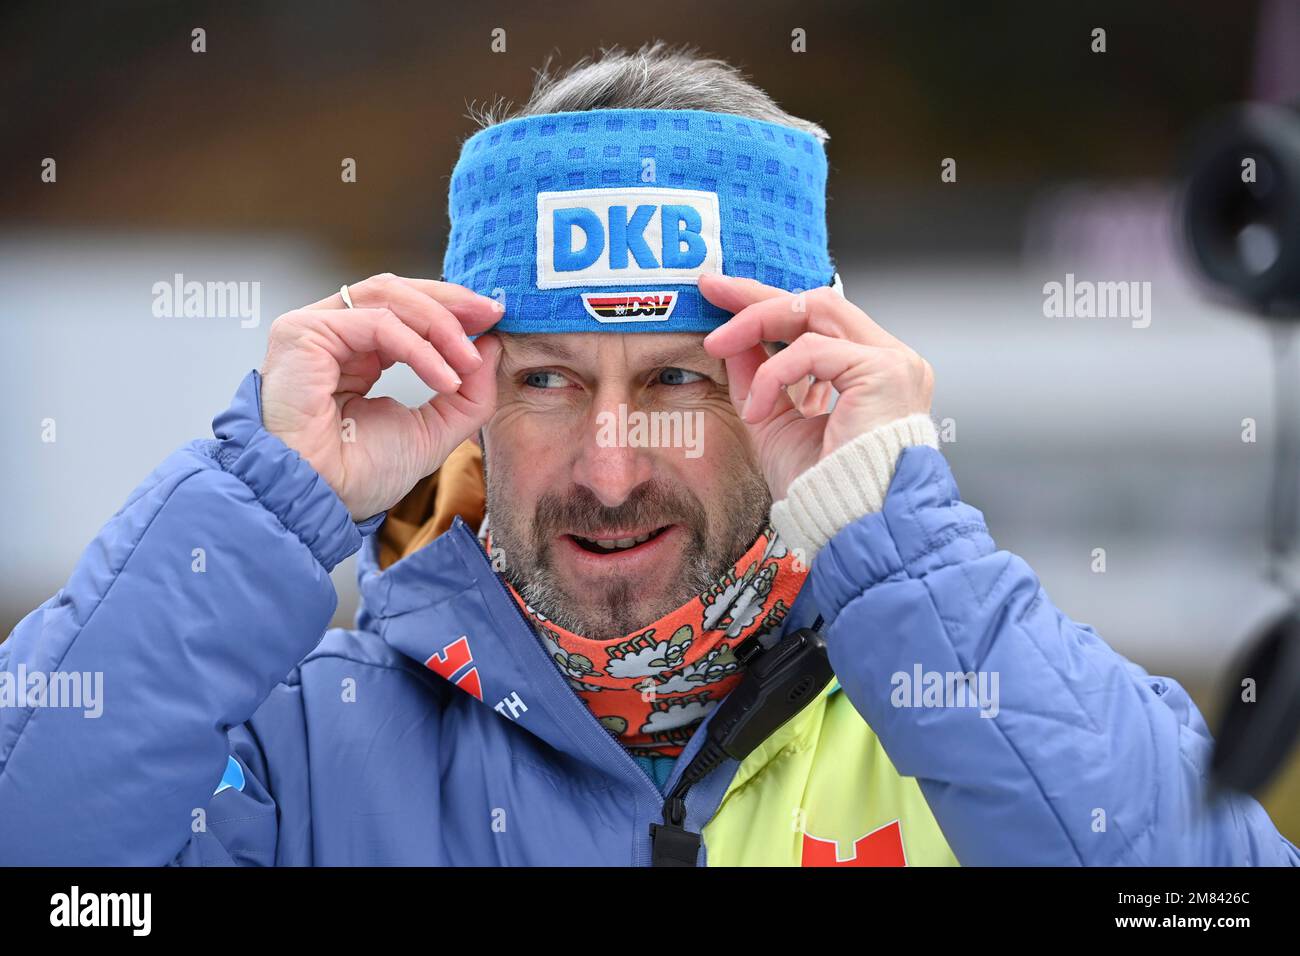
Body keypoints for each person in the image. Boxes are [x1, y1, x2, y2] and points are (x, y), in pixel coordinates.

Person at [1, 43, 1295, 866]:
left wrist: (911, 552)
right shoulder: (306, 754)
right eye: (550, 381)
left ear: (798, 385)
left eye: (679, 376)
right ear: (466, 400)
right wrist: (257, 498)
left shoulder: (955, 722)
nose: (610, 470)